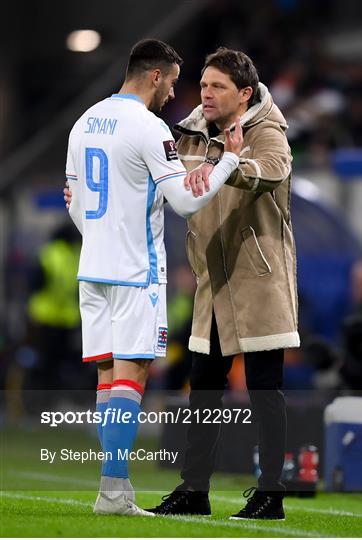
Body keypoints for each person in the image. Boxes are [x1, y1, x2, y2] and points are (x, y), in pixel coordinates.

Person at [65, 39, 244, 517]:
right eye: (173, 82)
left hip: (93, 269)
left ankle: (113, 491)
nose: (174, 95)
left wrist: (105, 234)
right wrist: (228, 160)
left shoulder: (83, 122)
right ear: (156, 76)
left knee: (108, 377)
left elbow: (76, 205)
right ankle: (114, 491)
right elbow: (185, 202)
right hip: (135, 272)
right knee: (133, 374)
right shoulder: (149, 128)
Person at [145, 48, 299, 520]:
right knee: (204, 389)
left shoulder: (268, 131)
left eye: (218, 87)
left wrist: (229, 166)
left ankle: (271, 492)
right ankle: (195, 490)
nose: (206, 94)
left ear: (245, 94)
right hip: (213, 281)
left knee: (264, 389)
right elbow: (160, 174)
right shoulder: (188, 133)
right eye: (204, 85)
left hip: (258, 279)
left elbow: (272, 171)